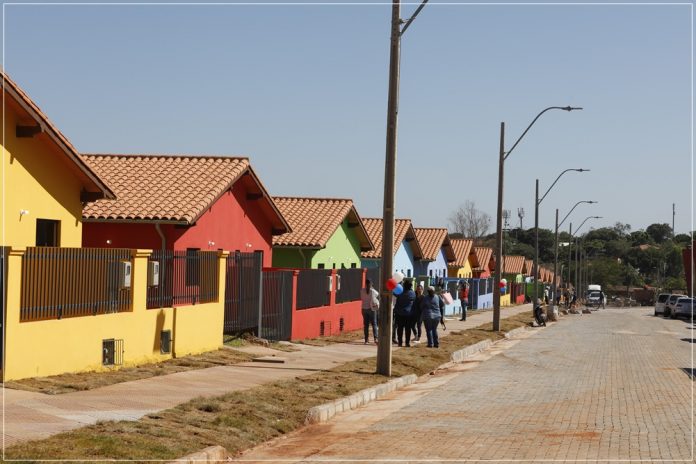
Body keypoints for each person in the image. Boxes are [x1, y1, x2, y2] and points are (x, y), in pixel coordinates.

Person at [393, 280, 416, 347]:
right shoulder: (412, 293)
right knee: (408, 329)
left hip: (399, 314)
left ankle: (400, 342)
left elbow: (394, 293)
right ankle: (407, 343)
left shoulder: (400, 293)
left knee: (400, 329)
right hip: (408, 314)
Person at [360, 279, 379, 344]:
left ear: (365, 284)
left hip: (364, 309)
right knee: (374, 324)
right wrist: (372, 288)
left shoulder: (362, 290)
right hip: (371, 309)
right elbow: (377, 294)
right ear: (371, 284)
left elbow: (361, 298)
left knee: (366, 325)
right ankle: (375, 338)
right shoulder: (372, 291)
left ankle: (366, 339)